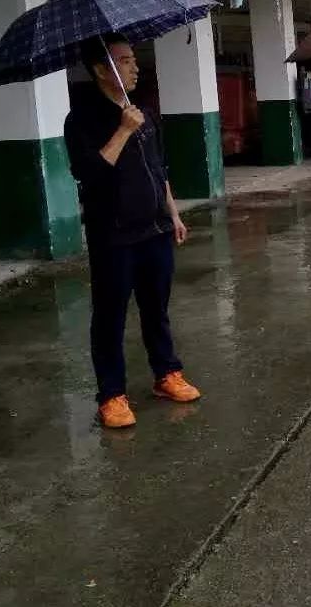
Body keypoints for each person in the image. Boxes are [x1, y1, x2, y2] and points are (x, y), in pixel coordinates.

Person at [65, 36, 200, 430]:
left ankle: (166, 374)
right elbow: (89, 174)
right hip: (114, 235)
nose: (134, 67)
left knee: (156, 308)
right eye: (124, 61)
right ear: (101, 70)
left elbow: (160, 171)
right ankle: (112, 395)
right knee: (110, 317)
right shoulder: (82, 119)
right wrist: (123, 130)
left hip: (155, 228)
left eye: (133, 60)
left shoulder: (145, 113)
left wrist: (173, 214)